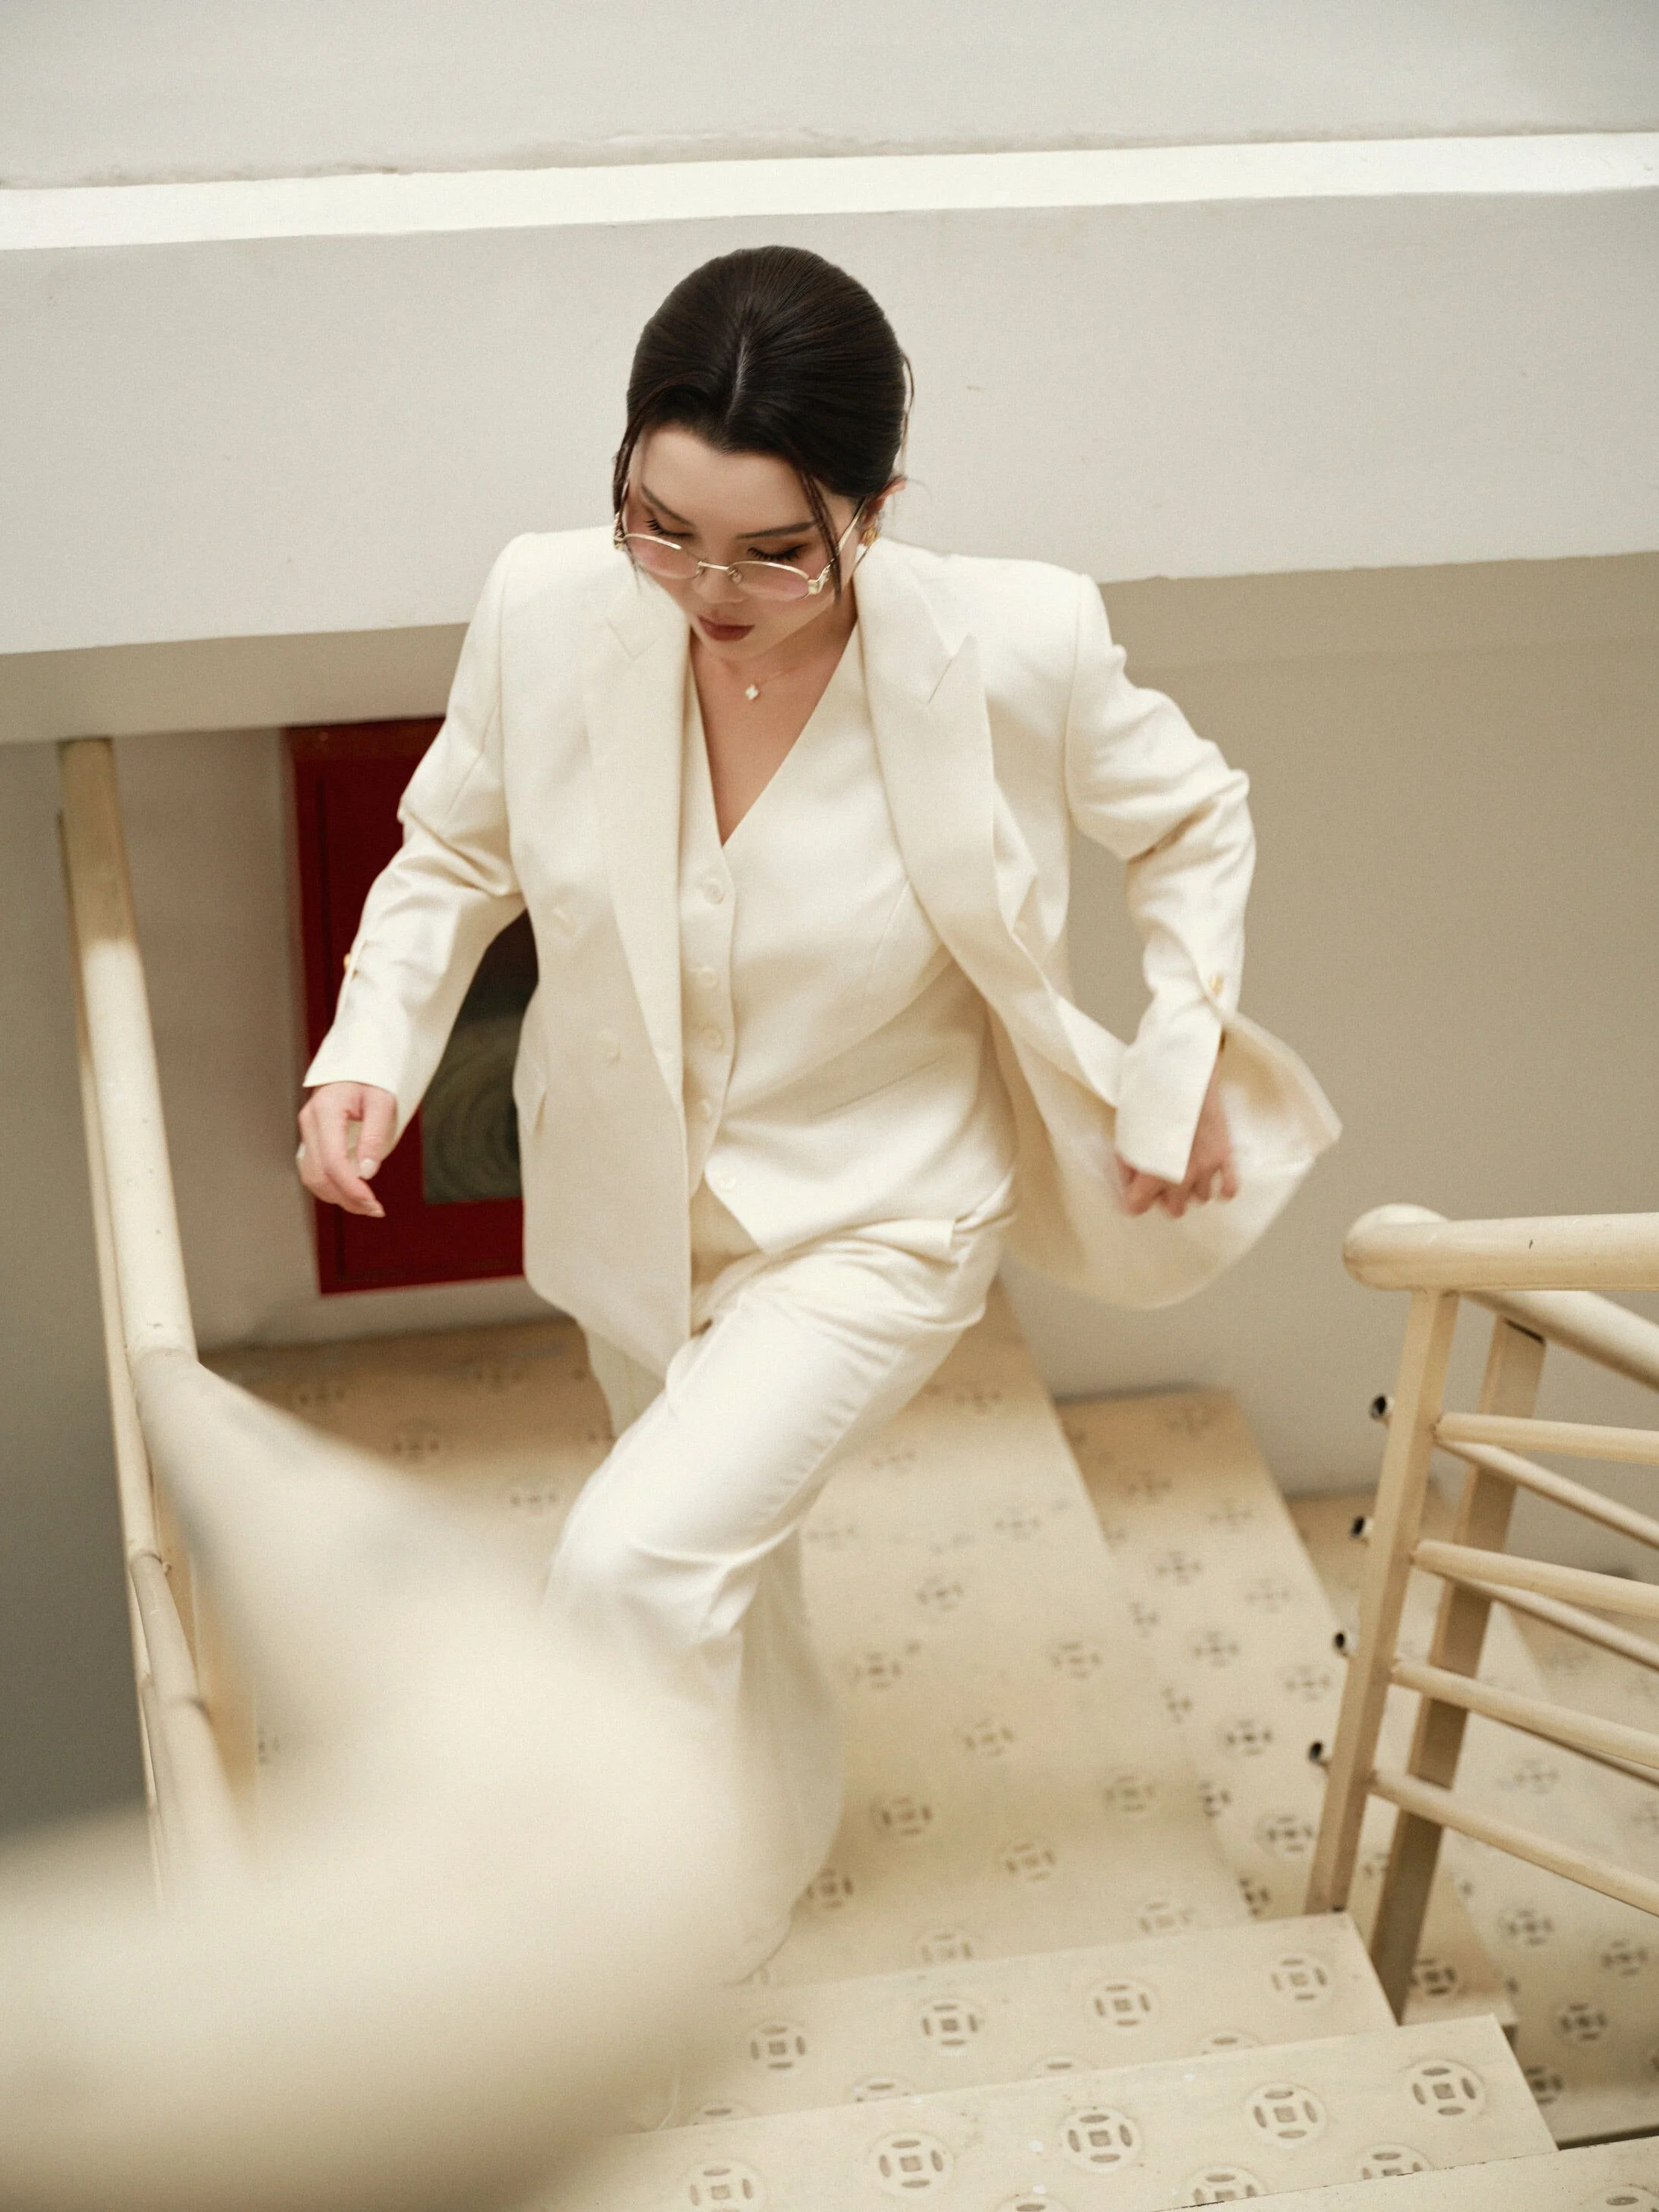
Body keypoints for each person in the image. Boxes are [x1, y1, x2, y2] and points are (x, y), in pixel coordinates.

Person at [295, 244, 1338, 1978]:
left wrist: (1178, 1061)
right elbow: (456, 848)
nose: (705, 584)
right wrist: (368, 1053)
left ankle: (618, 1931)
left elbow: (1193, 818)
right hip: (636, 1196)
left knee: (632, 1559)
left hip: (883, 1210)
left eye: (773, 548)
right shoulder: (549, 603)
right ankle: (758, 1857)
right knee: (723, 1557)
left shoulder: (1014, 641)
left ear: (875, 505)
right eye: (660, 523)